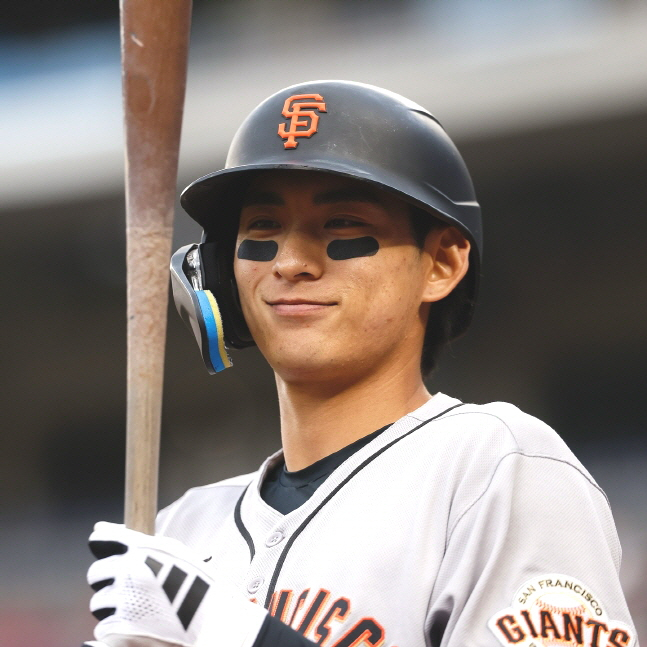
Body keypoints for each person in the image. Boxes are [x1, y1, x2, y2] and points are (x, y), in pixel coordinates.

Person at [85, 81, 638, 647]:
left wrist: (238, 632)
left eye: (343, 225)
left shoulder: (495, 465)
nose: (290, 262)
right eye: (263, 227)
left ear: (441, 264)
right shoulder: (180, 529)